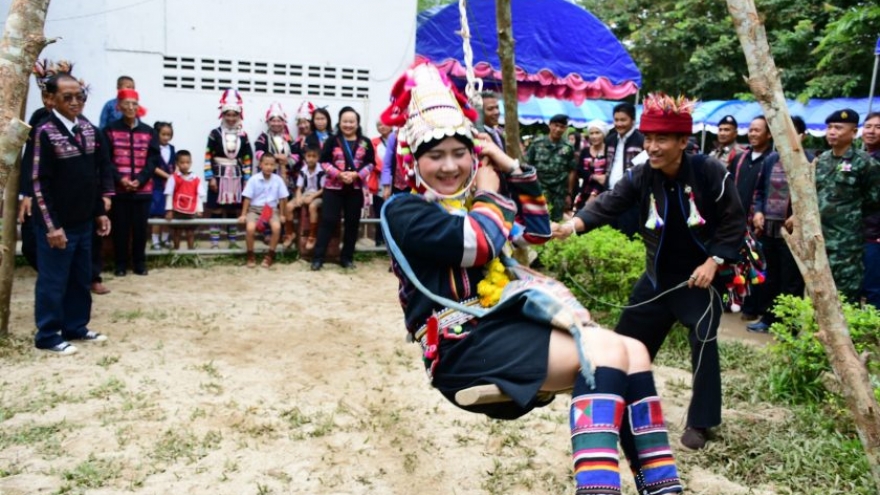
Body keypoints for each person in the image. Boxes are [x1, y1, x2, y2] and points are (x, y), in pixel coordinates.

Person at [381, 64, 682, 495]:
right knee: (602, 349)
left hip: (499, 328)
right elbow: (478, 244)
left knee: (633, 349)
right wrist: (488, 190)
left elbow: (537, 233)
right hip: (460, 347)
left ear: (474, 153)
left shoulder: (474, 202)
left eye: (459, 153)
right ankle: (599, 491)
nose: (449, 166)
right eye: (435, 155)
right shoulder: (404, 211)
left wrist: (509, 167)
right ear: (414, 159)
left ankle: (662, 489)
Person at [555, 93, 746, 451]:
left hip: (698, 280)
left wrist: (714, 261)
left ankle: (701, 423)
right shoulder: (642, 175)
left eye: (661, 140)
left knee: (704, 342)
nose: (652, 147)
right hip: (657, 279)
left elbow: (734, 221)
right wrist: (574, 224)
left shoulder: (709, 171)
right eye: (649, 139)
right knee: (623, 344)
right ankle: (612, 406)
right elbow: (610, 202)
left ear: (682, 142)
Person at [32, 73, 113, 354]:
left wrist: (100, 211)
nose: (75, 102)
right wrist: (52, 226)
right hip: (57, 225)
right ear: (50, 99)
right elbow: (38, 182)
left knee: (80, 277)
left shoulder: (88, 130)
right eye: (67, 97)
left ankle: (75, 327)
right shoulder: (44, 132)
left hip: (84, 221)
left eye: (80, 96)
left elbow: (95, 173)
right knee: (54, 280)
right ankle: (48, 334)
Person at [747, 116, 811, 333]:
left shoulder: (809, 161)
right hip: (768, 230)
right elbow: (760, 192)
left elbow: (814, 196)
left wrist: (799, 214)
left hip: (793, 233)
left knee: (791, 280)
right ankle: (768, 318)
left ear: (802, 135)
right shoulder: (771, 159)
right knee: (769, 277)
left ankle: (790, 326)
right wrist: (757, 212)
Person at [811, 109, 880, 303]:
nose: (832, 132)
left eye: (839, 128)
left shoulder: (865, 163)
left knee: (844, 296)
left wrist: (849, 216)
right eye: (830, 127)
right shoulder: (821, 160)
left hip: (846, 245)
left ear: (853, 132)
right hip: (819, 240)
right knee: (818, 294)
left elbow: (874, 201)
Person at [310, 107, 375, 271]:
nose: (348, 124)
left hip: (355, 189)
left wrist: (357, 175)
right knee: (328, 221)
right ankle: (318, 258)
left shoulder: (365, 142)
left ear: (357, 123)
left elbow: (371, 163)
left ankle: (347, 258)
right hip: (333, 188)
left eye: (352, 121)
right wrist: (338, 174)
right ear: (339, 122)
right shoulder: (332, 140)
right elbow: (324, 162)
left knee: (352, 224)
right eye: (345, 121)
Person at [103, 88, 158, 276]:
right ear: (119, 106)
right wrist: (120, 179)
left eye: (134, 103)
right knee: (120, 229)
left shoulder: (149, 132)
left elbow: (153, 160)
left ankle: (140, 263)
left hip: (143, 190)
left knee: (141, 229)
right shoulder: (110, 130)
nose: (131, 107)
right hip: (120, 190)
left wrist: (140, 180)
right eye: (126, 103)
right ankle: (120, 264)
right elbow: (106, 160)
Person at [730, 116, 773, 321]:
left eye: (758, 130)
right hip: (736, 221)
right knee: (736, 264)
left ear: (769, 134)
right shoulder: (740, 158)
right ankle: (735, 302)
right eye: (751, 129)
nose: (753, 133)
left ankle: (756, 308)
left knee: (758, 266)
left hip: (757, 222)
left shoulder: (771, 159)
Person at [204, 89, 253, 249]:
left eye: (234, 115)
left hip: (236, 177)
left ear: (239, 115)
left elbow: (247, 158)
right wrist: (210, 177)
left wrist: (246, 179)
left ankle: (232, 241)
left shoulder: (243, 136)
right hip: (218, 176)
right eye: (228, 115)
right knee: (217, 209)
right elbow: (208, 155)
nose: (231, 118)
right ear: (223, 115)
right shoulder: (214, 133)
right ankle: (215, 242)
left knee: (233, 210)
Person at [253, 102, 296, 247]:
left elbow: (297, 156)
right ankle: (267, 232)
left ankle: (283, 232)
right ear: (268, 122)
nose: (276, 123)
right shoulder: (263, 137)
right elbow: (258, 152)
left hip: (285, 175)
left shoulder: (289, 139)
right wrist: (275, 157)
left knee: (283, 202)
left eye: (279, 120)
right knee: (268, 202)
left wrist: (287, 160)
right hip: (268, 176)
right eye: (273, 120)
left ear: (284, 122)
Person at [238, 154, 288, 268]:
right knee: (250, 228)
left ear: (275, 166)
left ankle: (270, 255)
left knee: (277, 227)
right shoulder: (254, 179)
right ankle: (250, 255)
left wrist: (282, 214)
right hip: (255, 209)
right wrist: (243, 214)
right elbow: (247, 198)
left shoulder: (278, 180)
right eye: (266, 164)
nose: (269, 167)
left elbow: (282, 198)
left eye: (271, 164)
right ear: (261, 165)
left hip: (271, 210)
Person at [525, 113, 577, 221]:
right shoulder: (537, 143)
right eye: (555, 125)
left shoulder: (568, 148)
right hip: (539, 190)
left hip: (559, 192)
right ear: (550, 125)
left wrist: (569, 193)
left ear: (565, 129)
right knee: (539, 220)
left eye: (562, 127)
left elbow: (572, 171)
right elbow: (528, 166)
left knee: (556, 222)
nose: (558, 129)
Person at [605, 102, 645, 237]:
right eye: (616, 120)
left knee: (628, 235)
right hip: (611, 194)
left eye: (623, 120)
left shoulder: (642, 141)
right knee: (610, 235)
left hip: (632, 198)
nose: (619, 124)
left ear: (633, 120)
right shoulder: (610, 140)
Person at [164, 150, 204, 250]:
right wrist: (169, 210)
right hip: (177, 210)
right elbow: (169, 194)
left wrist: (199, 209)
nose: (185, 165)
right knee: (177, 232)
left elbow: (199, 195)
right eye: (182, 163)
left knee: (190, 233)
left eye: (187, 162)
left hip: (190, 212)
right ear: (177, 163)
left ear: (191, 163)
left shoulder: (196, 179)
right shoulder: (173, 178)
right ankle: (176, 252)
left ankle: (191, 253)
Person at [289, 145, 324, 252]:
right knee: (289, 206)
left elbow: (324, 189)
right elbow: (299, 188)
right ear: (305, 157)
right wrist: (299, 198)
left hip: (319, 195)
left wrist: (312, 197)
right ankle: (290, 233)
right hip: (306, 194)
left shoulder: (322, 170)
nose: (311, 159)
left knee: (312, 206)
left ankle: (312, 236)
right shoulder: (303, 170)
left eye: (314, 156)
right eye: (309, 156)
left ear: (318, 158)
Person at [861, 112, 880, 309]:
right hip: (856, 235)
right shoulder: (860, 158)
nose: (872, 131)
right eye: (868, 126)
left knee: (875, 289)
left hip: (875, 237)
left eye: (878, 127)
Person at [150, 121, 175, 250]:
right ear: (156, 134)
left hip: (169, 188)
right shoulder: (153, 148)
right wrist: (168, 177)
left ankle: (165, 239)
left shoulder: (172, 148)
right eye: (163, 134)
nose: (166, 137)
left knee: (168, 213)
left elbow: (174, 166)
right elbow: (152, 167)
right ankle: (155, 241)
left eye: (169, 134)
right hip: (157, 186)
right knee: (157, 213)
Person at [574, 120, 608, 209]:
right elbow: (580, 170)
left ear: (603, 134)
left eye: (597, 133)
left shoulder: (609, 151)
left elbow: (606, 176)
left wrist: (594, 194)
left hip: (603, 194)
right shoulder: (585, 151)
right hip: (585, 191)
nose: (594, 136)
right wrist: (595, 177)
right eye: (591, 133)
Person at [370, 120, 392, 246]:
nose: (382, 127)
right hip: (378, 180)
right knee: (379, 210)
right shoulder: (373, 142)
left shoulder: (399, 140)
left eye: (385, 124)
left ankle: (391, 240)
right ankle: (379, 239)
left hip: (396, 181)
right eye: (379, 125)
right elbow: (373, 160)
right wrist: (385, 170)